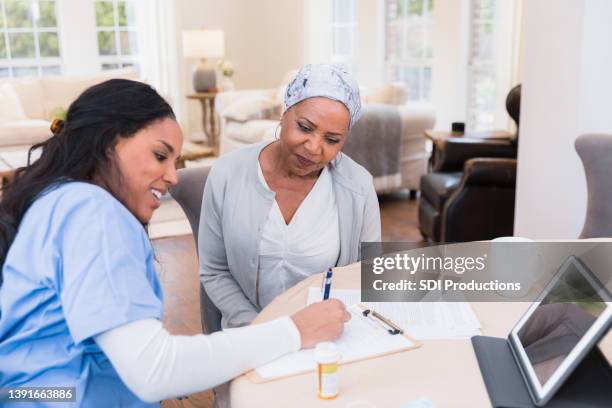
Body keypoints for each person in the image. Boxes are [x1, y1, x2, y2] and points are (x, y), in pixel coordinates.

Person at [0, 79, 350, 407]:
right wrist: (295, 330)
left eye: (333, 138)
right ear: (108, 142)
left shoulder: (60, 200)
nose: (171, 176)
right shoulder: (91, 210)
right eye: (159, 155)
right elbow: (154, 369)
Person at [200, 64, 381, 329]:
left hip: (328, 338)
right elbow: (214, 270)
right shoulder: (227, 174)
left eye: (332, 140)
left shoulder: (359, 187)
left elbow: (366, 275)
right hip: (250, 334)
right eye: (305, 127)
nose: (313, 147)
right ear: (284, 114)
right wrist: (262, 329)